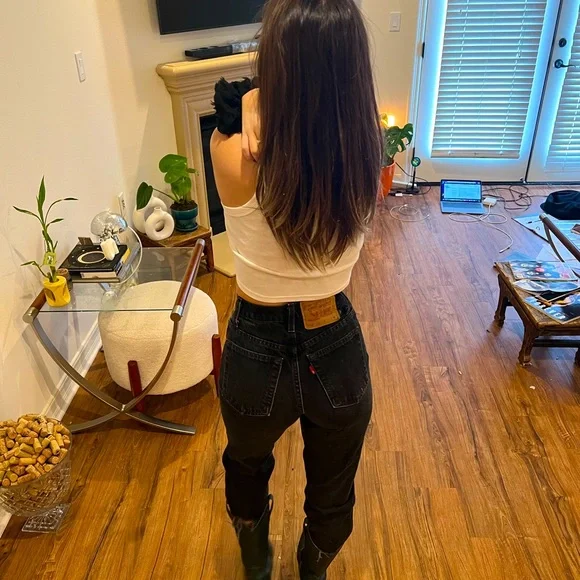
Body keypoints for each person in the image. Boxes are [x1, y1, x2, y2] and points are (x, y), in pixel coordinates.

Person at [210, 1, 382, 578]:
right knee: (334, 487)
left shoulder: (230, 150)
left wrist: (253, 101)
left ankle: (256, 560)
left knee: (245, 464)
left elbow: (235, 100)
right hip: (334, 344)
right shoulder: (368, 151)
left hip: (255, 348)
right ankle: (314, 567)